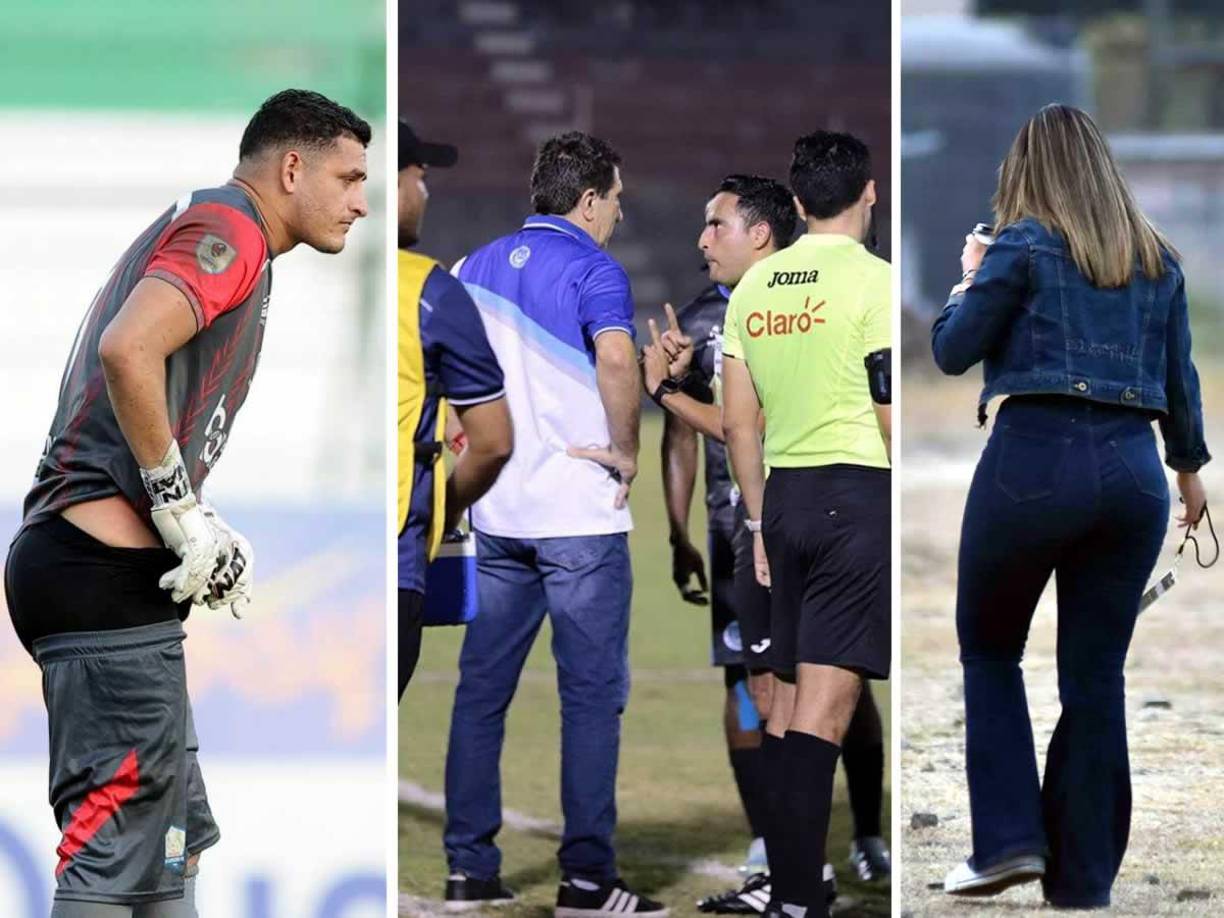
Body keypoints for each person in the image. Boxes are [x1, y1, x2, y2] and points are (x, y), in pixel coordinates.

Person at [3, 89, 370, 917]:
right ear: (291, 168)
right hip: (98, 574)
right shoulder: (231, 228)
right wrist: (177, 506)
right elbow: (127, 349)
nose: (360, 202)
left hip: (102, 575)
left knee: (174, 848)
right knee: (109, 857)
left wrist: (197, 522)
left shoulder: (227, 231)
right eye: (349, 178)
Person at [932, 104, 1210, 907]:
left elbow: (952, 350)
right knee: (1096, 676)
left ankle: (1009, 842)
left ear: (1028, 170)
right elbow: (1181, 379)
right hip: (1133, 476)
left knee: (991, 651)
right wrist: (1189, 476)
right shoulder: (1157, 257)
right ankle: (1083, 881)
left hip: (1034, 459)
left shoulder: (1019, 246)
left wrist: (971, 275)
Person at [644, 176, 887, 915]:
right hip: (763, 523)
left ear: (763, 232)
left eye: (716, 225)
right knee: (770, 696)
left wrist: (668, 395)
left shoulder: (772, 299)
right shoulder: (710, 314)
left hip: (777, 519)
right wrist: (685, 525)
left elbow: (744, 426)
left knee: (817, 698)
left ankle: (835, 854)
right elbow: (706, 435)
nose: (701, 241)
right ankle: (789, 872)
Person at [441, 131, 664, 917]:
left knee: (480, 693)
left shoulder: (469, 268)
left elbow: (441, 376)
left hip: (497, 512)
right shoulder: (595, 269)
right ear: (590, 199)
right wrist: (627, 451)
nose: (619, 213)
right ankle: (588, 882)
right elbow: (616, 358)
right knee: (591, 700)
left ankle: (468, 870)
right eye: (616, 199)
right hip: (579, 516)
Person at [722, 130, 892, 918]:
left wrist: (759, 525)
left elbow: (739, 424)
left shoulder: (754, 288)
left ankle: (792, 895)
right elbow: (887, 408)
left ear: (795, 203)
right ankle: (798, 901)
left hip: (783, 501)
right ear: (869, 193)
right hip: (856, 494)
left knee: (790, 711)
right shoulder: (874, 281)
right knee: (824, 717)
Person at [397, 118, 513, 696]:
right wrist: (443, 510)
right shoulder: (431, 291)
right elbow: (493, 442)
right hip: (398, 553)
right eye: (418, 177)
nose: (424, 193)